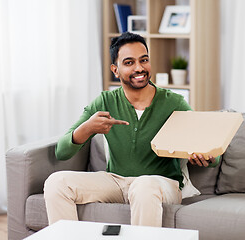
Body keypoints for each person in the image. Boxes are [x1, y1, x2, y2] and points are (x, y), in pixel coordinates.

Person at [44, 32, 218, 227]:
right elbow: (61, 152)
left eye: (144, 60)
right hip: (116, 181)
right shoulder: (105, 101)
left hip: (160, 184)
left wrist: (207, 156)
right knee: (56, 183)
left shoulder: (173, 102)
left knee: (144, 185)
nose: (139, 68)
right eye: (129, 63)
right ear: (115, 70)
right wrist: (87, 129)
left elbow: (212, 153)